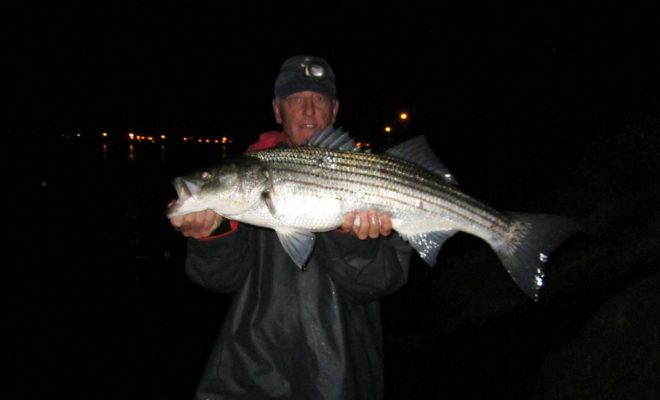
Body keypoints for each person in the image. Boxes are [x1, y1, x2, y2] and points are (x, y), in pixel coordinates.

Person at [170, 55, 412, 400]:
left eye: (319, 100)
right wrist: (210, 236)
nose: (309, 111)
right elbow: (218, 280)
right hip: (247, 375)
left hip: (339, 376)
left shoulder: (376, 176)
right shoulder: (244, 183)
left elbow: (379, 284)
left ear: (334, 109)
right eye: (296, 100)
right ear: (278, 110)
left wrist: (356, 243)